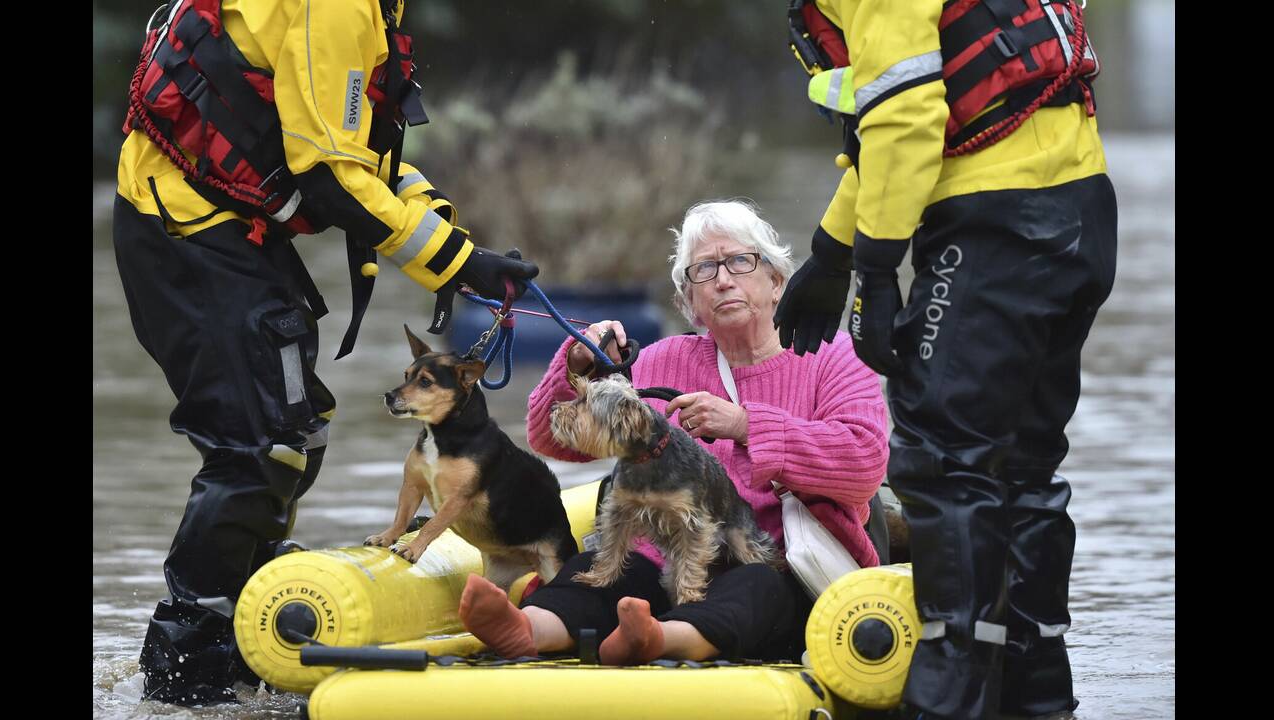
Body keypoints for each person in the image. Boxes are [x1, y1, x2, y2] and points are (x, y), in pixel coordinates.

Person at [112, 0, 537, 705]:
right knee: (259, 447)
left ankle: (249, 634)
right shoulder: (337, 5)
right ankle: (183, 668)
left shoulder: (372, 9)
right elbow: (328, 180)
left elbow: (365, 156)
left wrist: (468, 250)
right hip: (184, 231)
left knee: (296, 435)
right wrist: (459, 266)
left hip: (227, 231)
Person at [774, 2, 1117, 718]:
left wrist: (871, 269)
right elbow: (908, 123)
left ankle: (949, 699)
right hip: (1076, 212)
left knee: (946, 464)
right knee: (1021, 468)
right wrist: (832, 251)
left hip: (996, 225)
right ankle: (1038, 695)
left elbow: (906, 119)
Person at [456, 200, 888, 665]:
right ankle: (526, 628)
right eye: (704, 270)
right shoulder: (662, 360)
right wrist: (575, 364)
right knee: (604, 571)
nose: (723, 280)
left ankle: (658, 640)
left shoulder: (833, 354)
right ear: (690, 301)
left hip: (778, 562)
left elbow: (863, 464)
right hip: (666, 563)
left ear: (777, 281)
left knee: (754, 585)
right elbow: (550, 440)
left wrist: (744, 425)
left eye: (741, 262)